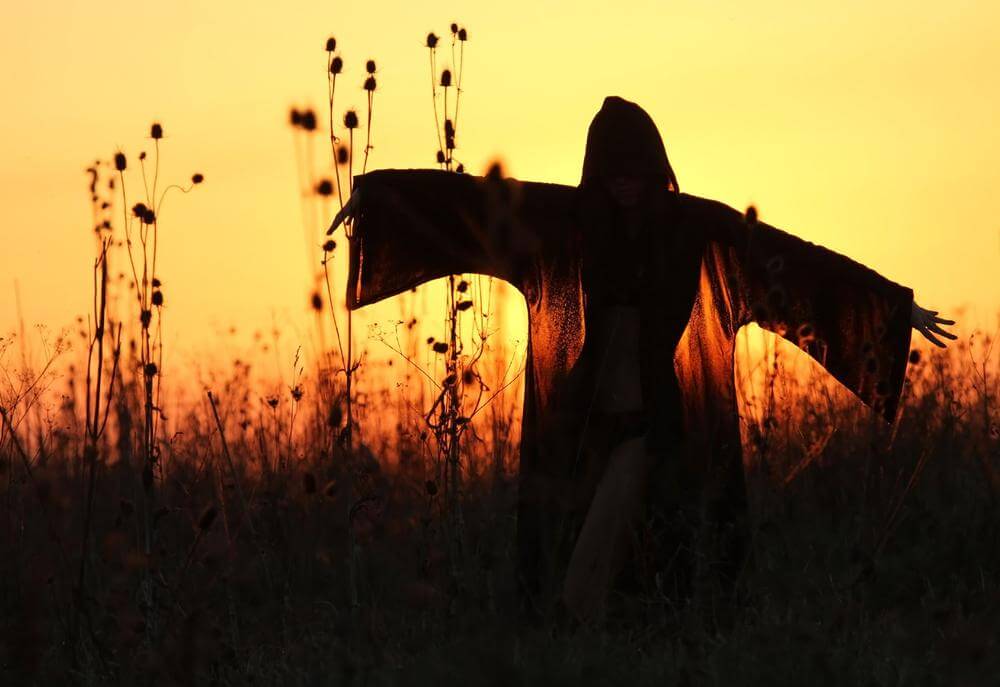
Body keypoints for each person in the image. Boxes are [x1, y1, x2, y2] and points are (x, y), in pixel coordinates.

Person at [327, 96, 956, 621]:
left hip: (649, 420)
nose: (623, 181)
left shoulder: (695, 226)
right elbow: (469, 204)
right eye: (611, 170)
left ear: (654, 167)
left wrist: (891, 308)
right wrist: (377, 199)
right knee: (586, 538)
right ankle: (610, 641)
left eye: (633, 168)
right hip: (582, 418)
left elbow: (794, 264)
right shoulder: (570, 221)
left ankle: (576, 632)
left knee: (601, 551)